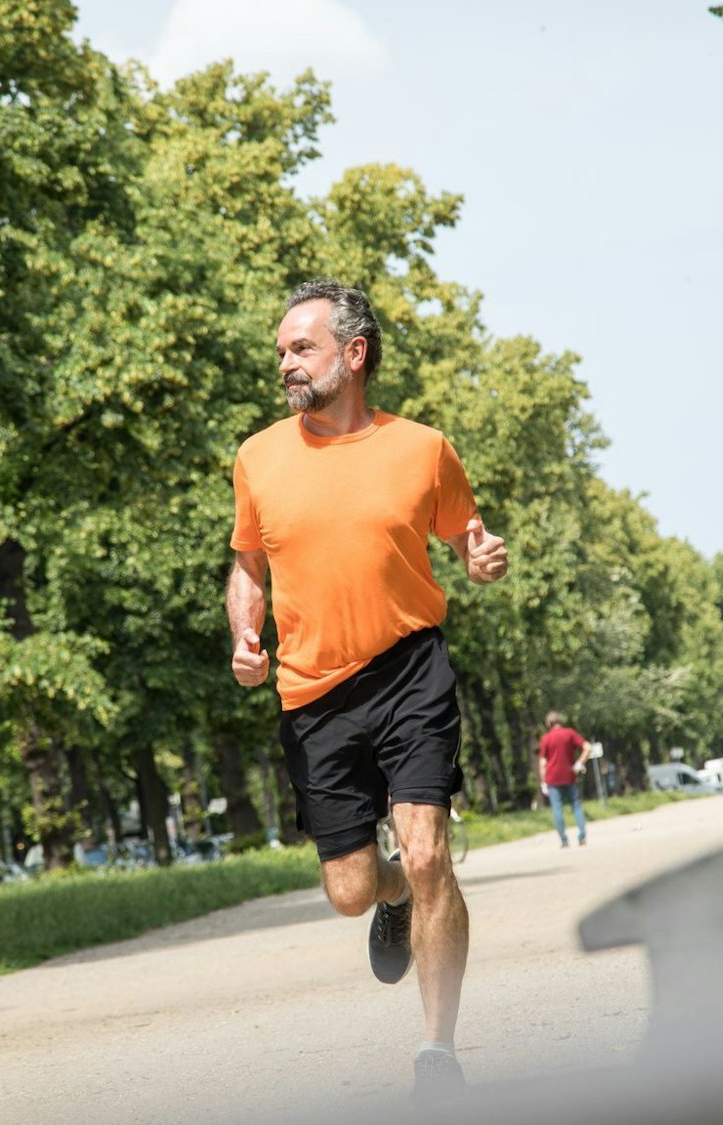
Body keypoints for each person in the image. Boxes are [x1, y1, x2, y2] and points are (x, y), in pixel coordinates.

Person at [227, 279, 509, 1106]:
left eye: (300, 348)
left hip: (410, 668)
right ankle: (387, 892)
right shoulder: (258, 457)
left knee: (430, 854)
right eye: (281, 350)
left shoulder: (423, 447)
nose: (285, 363)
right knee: (354, 889)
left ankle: (437, 1052)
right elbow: (248, 567)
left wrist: (482, 559)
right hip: (312, 690)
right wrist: (245, 635)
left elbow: (468, 538)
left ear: (353, 355)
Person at [537, 712, 591, 846]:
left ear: (548, 724)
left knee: (557, 809)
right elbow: (587, 747)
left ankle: (564, 840)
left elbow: (543, 762)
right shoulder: (569, 733)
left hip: (552, 778)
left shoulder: (546, 738)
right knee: (576, 806)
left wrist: (543, 781)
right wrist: (579, 764)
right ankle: (582, 837)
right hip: (569, 775)